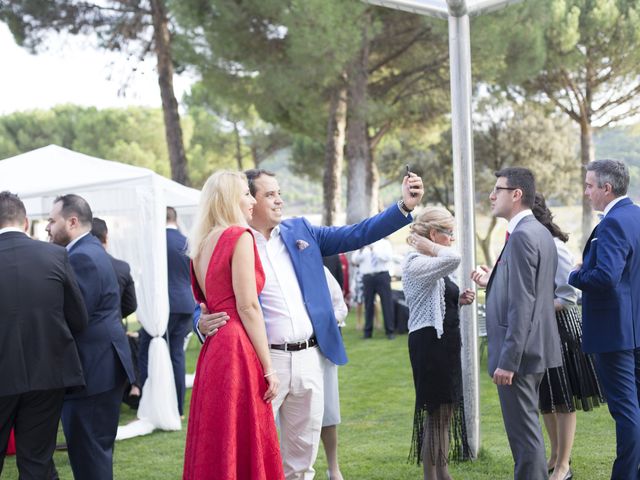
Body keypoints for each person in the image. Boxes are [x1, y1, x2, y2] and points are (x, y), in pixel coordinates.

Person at [196, 167, 424, 479]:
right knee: (258, 456)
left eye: (280, 193)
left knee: (302, 460)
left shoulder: (300, 231)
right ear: (247, 200)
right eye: (269, 194)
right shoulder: (233, 240)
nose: (279, 201)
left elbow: (357, 233)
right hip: (263, 363)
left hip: (309, 357)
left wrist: (404, 207)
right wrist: (201, 321)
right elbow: (208, 293)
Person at [182, 170, 284, 480]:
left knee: (219, 434)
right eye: (246, 194)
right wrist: (269, 368)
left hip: (214, 349)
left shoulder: (198, 246)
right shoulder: (239, 237)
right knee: (243, 432)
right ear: (229, 200)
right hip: (237, 346)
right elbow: (248, 306)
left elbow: (204, 304)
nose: (252, 200)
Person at [471, 167, 562, 480]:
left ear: (517, 194)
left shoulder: (524, 235)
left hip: (520, 356)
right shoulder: (538, 232)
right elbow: (527, 292)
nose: (492, 195)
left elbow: (523, 303)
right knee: (528, 434)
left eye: (498, 189)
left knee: (524, 440)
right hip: (533, 349)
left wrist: (508, 361)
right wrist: (491, 281)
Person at [46, 194, 136, 480]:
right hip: (103, 365)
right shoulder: (91, 250)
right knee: (95, 452)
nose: (47, 227)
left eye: (52, 220)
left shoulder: (81, 256)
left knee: (89, 456)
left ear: (72, 221)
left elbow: (75, 316)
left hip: (92, 370)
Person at [0, 191, 87, 480]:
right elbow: (78, 318)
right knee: (37, 462)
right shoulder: (55, 255)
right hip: (47, 373)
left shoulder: (56, 254)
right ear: (25, 221)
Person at [568, 159, 640, 480]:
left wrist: (575, 274)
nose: (586, 192)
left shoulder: (611, 223)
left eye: (589, 185)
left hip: (614, 334)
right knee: (634, 409)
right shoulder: (637, 216)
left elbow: (605, 278)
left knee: (625, 412)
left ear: (606, 189)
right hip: (635, 328)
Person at [532, 193, 605, 480]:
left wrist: (534, 306)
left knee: (563, 398)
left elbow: (569, 295)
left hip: (562, 329)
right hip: (540, 329)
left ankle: (564, 465)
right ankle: (554, 455)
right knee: (546, 396)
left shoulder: (555, 247)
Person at [402, 206, 474, 480]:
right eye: (450, 234)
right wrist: (432, 247)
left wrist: (458, 300)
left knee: (444, 413)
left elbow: (437, 299)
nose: (453, 239)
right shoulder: (415, 262)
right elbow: (453, 258)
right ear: (434, 234)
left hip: (445, 343)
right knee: (435, 414)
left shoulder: (430, 263)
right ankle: (432, 477)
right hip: (430, 344)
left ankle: (443, 475)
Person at [139, 207, 196, 417]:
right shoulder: (188, 241)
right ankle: (179, 407)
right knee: (177, 355)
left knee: (147, 349)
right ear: (175, 219)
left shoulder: (155, 241)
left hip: (162, 306)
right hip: (186, 304)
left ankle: (147, 401)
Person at [91, 217, 141, 407]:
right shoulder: (121, 267)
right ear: (106, 237)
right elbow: (131, 304)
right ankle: (132, 388)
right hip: (114, 327)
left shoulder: (72, 263)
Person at [321, 266, 348, 480]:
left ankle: (333, 468)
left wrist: (323, 324)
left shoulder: (320, 271)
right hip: (285, 351)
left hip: (322, 349)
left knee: (328, 410)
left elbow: (341, 307)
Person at [351, 238, 396, 339]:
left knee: (387, 304)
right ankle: (367, 332)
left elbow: (387, 257)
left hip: (382, 275)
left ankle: (390, 332)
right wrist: (361, 250)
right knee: (368, 305)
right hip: (367, 277)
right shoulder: (363, 244)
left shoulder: (384, 243)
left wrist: (373, 250)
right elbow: (354, 260)